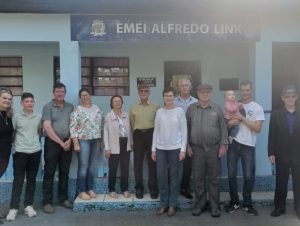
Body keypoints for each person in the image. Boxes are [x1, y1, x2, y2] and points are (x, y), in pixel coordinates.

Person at [187, 84, 228, 218]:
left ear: (211, 93)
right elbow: (186, 129)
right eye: (202, 92)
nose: (205, 94)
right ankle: (200, 204)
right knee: (198, 178)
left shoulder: (217, 108)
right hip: (197, 149)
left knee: (214, 178)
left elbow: (223, 128)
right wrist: (187, 145)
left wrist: (223, 145)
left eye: (207, 92)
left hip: (213, 149)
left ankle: (215, 206)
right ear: (198, 94)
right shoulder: (191, 109)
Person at [225, 80, 264, 216]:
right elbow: (226, 125)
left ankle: (247, 203)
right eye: (243, 90)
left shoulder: (257, 107)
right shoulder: (233, 105)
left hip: (248, 145)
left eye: (248, 90)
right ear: (240, 91)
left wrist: (242, 118)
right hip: (233, 143)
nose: (245, 92)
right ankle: (234, 202)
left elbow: (258, 128)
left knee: (248, 176)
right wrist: (230, 123)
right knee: (231, 174)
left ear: (251, 91)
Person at [6, 93, 42, 221]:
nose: (29, 103)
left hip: (35, 151)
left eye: (31, 101)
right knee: (18, 180)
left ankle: (28, 206)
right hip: (20, 152)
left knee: (31, 180)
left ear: (34, 103)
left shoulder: (38, 116)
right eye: (26, 101)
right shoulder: (16, 117)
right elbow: (12, 132)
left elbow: (39, 131)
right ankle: (13, 208)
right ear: (22, 103)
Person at [152, 87, 187, 217]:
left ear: (174, 97)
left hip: (176, 149)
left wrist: (183, 149)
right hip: (161, 149)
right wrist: (153, 149)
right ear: (163, 97)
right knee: (161, 176)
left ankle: (172, 205)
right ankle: (163, 204)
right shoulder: (159, 112)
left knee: (174, 177)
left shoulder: (180, 111)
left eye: (171, 95)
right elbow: (156, 131)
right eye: (166, 95)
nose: (168, 98)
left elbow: (184, 131)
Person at [268, 84, 300, 219]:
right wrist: (271, 153)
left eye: (292, 96)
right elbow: (272, 135)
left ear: (296, 97)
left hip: (298, 154)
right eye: (287, 97)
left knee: (298, 183)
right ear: (283, 98)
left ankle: (298, 207)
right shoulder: (276, 114)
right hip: (281, 154)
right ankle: (279, 207)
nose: (290, 99)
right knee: (281, 182)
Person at [42, 82, 74, 214]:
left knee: (64, 172)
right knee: (49, 172)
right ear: (53, 93)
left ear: (65, 93)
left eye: (62, 91)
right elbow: (47, 128)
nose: (60, 93)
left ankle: (63, 198)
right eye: (57, 91)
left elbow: (74, 125)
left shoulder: (70, 107)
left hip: (68, 143)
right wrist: (61, 143)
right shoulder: (48, 107)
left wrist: (70, 140)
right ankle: (47, 202)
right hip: (52, 144)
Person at [70, 88, 102, 200]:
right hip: (83, 140)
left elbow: (100, 125)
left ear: (90, 95)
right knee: (83, 165)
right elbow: (73, 127)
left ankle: (90, 188)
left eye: (87, 94)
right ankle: (81, 190)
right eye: (83, 95)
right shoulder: (77, 110)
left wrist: (102, 140)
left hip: (96, 140)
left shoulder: (97, 108)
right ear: (80, 97)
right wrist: (75, 143)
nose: (85, 97)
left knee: (92, 165)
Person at [130, 82, 159, 199]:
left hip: (152, 135)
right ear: (138, 93)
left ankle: (153, 188)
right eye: (141, 91)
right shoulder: (133, 107)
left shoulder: (155, 106)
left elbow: (158, 123)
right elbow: (132, 124)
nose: (143, 93)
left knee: (152, 163)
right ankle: (139, 189)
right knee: (138, 163)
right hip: (138, 136)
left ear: (149, 92)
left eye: (146, 91)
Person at [104, 95, 132, 198]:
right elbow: (105, 132)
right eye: (115, 101)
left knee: (125, 168)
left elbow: (130, 131)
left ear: (122, 102)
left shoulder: (127, 115)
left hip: (125, 143)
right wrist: (107, 148)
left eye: (119, 101)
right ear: (111, 103)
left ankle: (124, 189)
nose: (117, 103)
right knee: (113, 168)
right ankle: (111, 190)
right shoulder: (108, 116)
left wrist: (131, 143)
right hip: (114, 144)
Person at [174, 78, 198, 199]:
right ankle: (173, 188)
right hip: (174, 138)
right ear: (178, 88)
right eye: (182, 85)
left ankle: (184, 187)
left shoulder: (196, 102)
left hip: (190, 137)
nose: (184, 87)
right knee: (174, 164)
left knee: (188, 165)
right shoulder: (172, 102)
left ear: (190, 87)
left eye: (186, 85)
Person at [0, 88, 13, 222]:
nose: (7, 101)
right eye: (4, 98)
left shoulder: (8, 116)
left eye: (9, 99)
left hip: (5, 155)